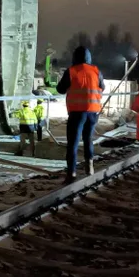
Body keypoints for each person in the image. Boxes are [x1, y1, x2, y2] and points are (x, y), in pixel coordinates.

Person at [57, 46, 104, 182]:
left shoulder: (71, 71)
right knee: (88, 139)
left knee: (73, 142)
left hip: (77, 113)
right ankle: (90, 166)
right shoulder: (96, 71)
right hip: (93, 112)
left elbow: (60, 89)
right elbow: (102, 87)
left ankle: (71, 172)